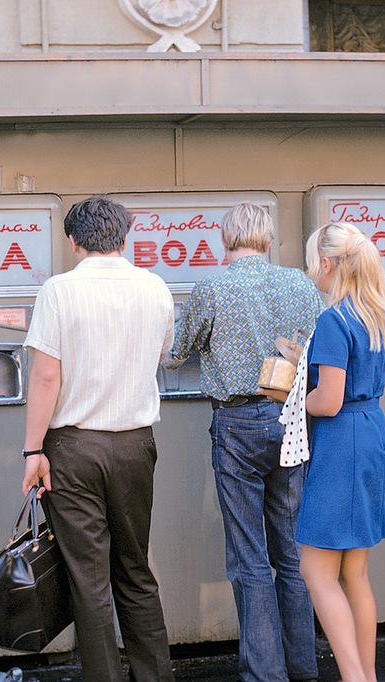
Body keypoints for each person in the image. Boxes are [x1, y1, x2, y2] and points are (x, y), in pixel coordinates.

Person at [163, 202, 322, 682]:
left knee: (249, 555)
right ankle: (303, 666)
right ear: (269, 241)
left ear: (224, 241)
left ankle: (265, 673)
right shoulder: (298, 283)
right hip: (292, 419)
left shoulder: (211, 288)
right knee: (293, 552)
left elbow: (176, 356)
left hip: (235, 424)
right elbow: (317, 344)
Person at [21, 195, 176, 681]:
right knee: (135, 572)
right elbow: (159, 356)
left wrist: (32, 450)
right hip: (135, 444)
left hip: (72, 448)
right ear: (125, 236)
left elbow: (46, 377)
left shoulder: (58, 291)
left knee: (89, 581)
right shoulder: (155, 288)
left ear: (73, 241)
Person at [290, 222, 385, 682]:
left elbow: (329, 399)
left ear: (327, 264)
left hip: (342, 442)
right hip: (372, 433)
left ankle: (355, 678)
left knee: (315, 570)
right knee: (355, 573)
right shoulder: (377, 316)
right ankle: (366, 676)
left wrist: (291, 397)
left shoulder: (333, 320)